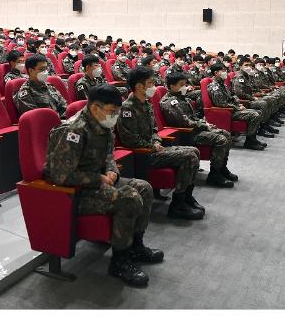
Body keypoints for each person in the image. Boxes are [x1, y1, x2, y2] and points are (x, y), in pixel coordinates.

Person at [44, 84, 163, 286]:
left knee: (144, 187)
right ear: (96, 108)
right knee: (129, 198)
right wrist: (97, 178)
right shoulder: (73, 130)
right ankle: (120, 261)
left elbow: (108, 154)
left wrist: (111, 170)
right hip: (76, 194)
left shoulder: (102, 123)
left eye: (117, 111)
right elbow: (59, 175)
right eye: (112, 111)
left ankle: (136, 245)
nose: (115, 116)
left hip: (99, 185)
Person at [117, 67, 204, 220]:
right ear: (139, 86)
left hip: (153, 149)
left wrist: (156, 140)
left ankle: (186, 197)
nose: (154, 87)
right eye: (150, 83)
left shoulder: (146, 104)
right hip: (142, 155)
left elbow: (154, 130)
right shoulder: (128, 109)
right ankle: (177, 205)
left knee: (194, 151)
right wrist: (152, 146)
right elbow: (130, 140)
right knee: (189, 156)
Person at [161, 71, 236, 187]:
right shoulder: (169, 102)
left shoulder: (182, 98)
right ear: (171, 86)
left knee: (226, 134)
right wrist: (203, 125)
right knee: (221, 139)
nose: (185, 87)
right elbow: (184, 122)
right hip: (186, 134)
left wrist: (203, 122)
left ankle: (221, 168)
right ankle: (214, 174)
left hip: (195, 129)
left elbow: (193, 117)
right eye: (181, 85)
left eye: (185, 84)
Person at [207, 63, 267, 150]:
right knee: (255, 115)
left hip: (232, 109)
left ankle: (252, 139)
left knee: (258, 112)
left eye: (226, 70)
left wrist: (238, 103)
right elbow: (220, 104)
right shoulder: (214, 86)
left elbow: (232, 95)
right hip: (226, 112)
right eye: (223, 71)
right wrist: (237, 107)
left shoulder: (223, 84)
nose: (226, 73)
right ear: (216, 73)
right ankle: (250, 142)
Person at [231, 56, 281, 134]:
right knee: (263, 103)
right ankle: (262, 127)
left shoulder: (247, 76)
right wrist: (252, 98)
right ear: (240, 66)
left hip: (251, 98)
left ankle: (267, 123)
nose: (248, 67)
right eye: (246, 65)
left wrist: (259, 93)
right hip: (245, 101)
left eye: (249, 65)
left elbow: (254, 88)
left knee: (271, 99)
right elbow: (240, 93)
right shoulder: (239, 77)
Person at [13, 54, 67, 118]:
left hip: (62, 122)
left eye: (46, 68)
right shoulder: (25, 93)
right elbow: (37, 118)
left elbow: (64, 106)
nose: (45, 72)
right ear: (31, 71)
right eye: (41, 69)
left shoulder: (49, 86)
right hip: (47, 125)